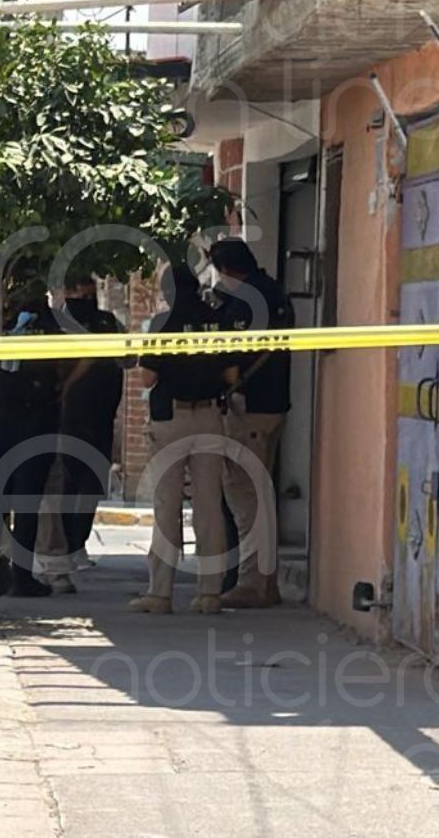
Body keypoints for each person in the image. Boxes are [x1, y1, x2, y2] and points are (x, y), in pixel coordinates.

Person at [130, 262, 238, 615]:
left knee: (167, 505)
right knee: (209, 506)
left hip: (170, 419)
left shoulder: (163, 324)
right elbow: (231, 373)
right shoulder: (217, 320)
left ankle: (160, 593)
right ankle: (210, 593)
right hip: (209, 417)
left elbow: (147, 378)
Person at [209, 238, 294, 609]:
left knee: (246, 497)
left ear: (225, 270)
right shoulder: (276, 291)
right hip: (274, 405)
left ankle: (253, 583)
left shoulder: (244, 301)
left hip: (249, 408)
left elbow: (230, 367)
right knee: (261, 492)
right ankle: (266, 583)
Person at [45, 275, 125, 593]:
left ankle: (67, 545)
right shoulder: (109, 322)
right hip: (101, 412)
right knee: (89, 480)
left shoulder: (59, 321)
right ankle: (76, 544)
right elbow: (128, 359)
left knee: (66, 480)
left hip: (67, 412)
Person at [0, 295, 63, 598]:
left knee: (1, 498)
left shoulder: (0, 318)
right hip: (28, 417)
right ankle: (15, 574)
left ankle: (1, 573)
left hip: (10, 417)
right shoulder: (49, 322)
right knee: (19, 501)